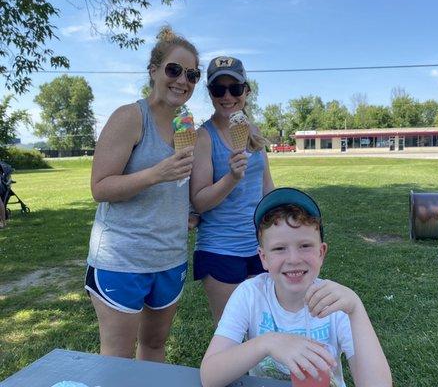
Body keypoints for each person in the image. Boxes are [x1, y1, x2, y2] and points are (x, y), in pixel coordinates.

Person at [84, 26, 201, 361]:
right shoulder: (130, 117)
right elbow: (100, 187)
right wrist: (155, 174)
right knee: (118, 357)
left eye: (191, 75)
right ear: (154, 71)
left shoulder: (186, 126)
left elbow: (180, 186)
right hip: (122, 259)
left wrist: (191, 211)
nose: (182, 80)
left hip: (170, 257)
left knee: (154, 346)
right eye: (174, 70)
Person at [200, 187, 392, 387]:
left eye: (305, 246)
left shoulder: (336, 303)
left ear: (321, 252)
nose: (293, 259)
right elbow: (209, 376)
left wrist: (356, 308)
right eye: (279, 249)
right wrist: (268, 342)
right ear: (263, 257)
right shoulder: (250, 295)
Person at [190, 56, 275, 324]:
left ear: (246, 91)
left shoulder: (253, 131)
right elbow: (199, 201)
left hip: (258, 247)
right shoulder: (204, 137)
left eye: (235, 89)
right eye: (219, 90)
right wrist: (231, 177)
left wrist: (281, 229)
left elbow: (266, 186)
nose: (227, 96)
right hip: (220, 249)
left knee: (259, 325)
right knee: (230, 330)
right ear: (210, 94)